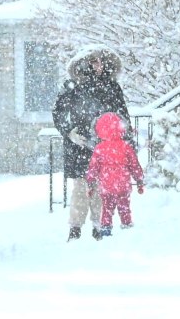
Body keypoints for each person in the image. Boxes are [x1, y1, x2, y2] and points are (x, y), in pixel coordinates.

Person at [52, 45, 132, 242]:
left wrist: (123, 137)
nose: (98, 65)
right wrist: (69, 132)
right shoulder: (72, 86)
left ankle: (99, 226)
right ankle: (75, 229)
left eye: (100, 61)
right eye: (94, 61)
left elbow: (122, 115)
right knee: (80, 188)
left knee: (101, 189)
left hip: (106, 147)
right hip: (79, 146)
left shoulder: (112, 86)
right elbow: (59, 112)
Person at [86, 112, 144, 237]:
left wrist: (90, 182)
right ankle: (127, 226)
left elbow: (93, 167)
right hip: (123, 184)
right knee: (124, 207)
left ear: (99, 129)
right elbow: (134, 165)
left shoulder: (99, 148)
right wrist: (139, 180)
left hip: (106, 186)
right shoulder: (126, 147)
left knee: (107, 209)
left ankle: (106, 229)